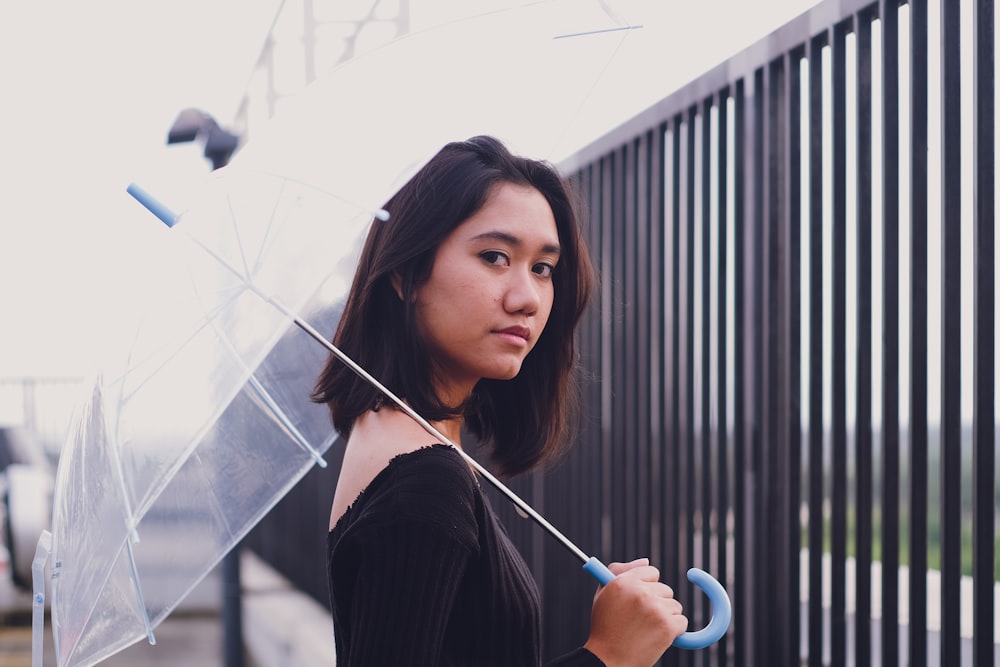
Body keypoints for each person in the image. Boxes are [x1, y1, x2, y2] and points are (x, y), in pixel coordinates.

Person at [312, 135, 687, 666]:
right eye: (495, 257)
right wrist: (608, 656)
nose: (527, 298)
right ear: (405, 273)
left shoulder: (393, 438)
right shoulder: (424, 480)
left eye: (542, 268)